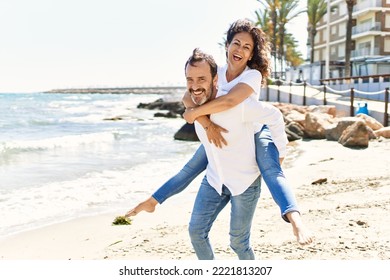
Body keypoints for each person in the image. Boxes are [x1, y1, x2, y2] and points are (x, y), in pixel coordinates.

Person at [126, 19, 313, 247]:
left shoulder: (252, 75)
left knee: (271, 170)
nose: (240, 50)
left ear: (251, 54)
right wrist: (206, 123)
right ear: (227, 45)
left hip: (254, 130)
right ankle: (153, 201)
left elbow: (231, 101)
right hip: (225, 133)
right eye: (236, 43)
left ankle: (295, 219)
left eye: (247, 47)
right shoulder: (218, 72)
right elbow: (189, 96)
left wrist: (281, 150)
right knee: (190, 168)